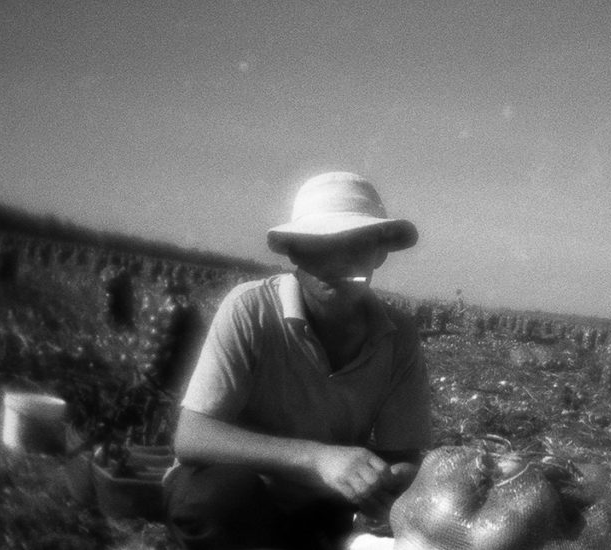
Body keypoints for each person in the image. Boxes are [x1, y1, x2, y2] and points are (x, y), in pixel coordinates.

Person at [163, 172, 432, 550]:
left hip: (323, 501)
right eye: (320, 245)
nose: (339, 262)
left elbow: (404, 454)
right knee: (214, 503)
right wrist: (316, 458)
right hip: (241, 492)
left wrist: (383, 479)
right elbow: (192, 436)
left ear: (380, 253)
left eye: (357, 245)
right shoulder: (251, 309)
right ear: (294, 252)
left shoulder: (398, 335)